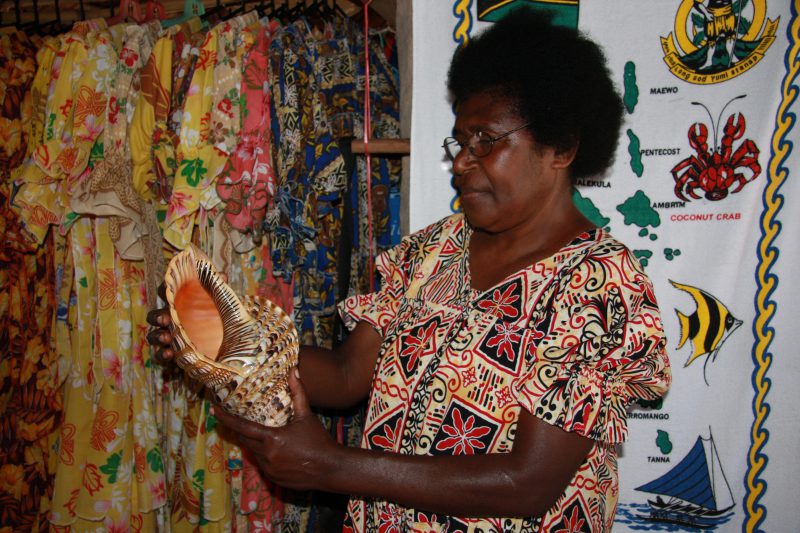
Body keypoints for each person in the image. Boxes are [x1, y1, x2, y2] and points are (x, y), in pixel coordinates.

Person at [148, 9, 671, 531]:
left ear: (560, 147)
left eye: (485, 140)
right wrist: (235, 340)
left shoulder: (598, 282)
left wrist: (331, 466)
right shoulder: (432, 251)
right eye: (459, 143)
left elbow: (528, 484)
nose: (462, 162)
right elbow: (350, 375)